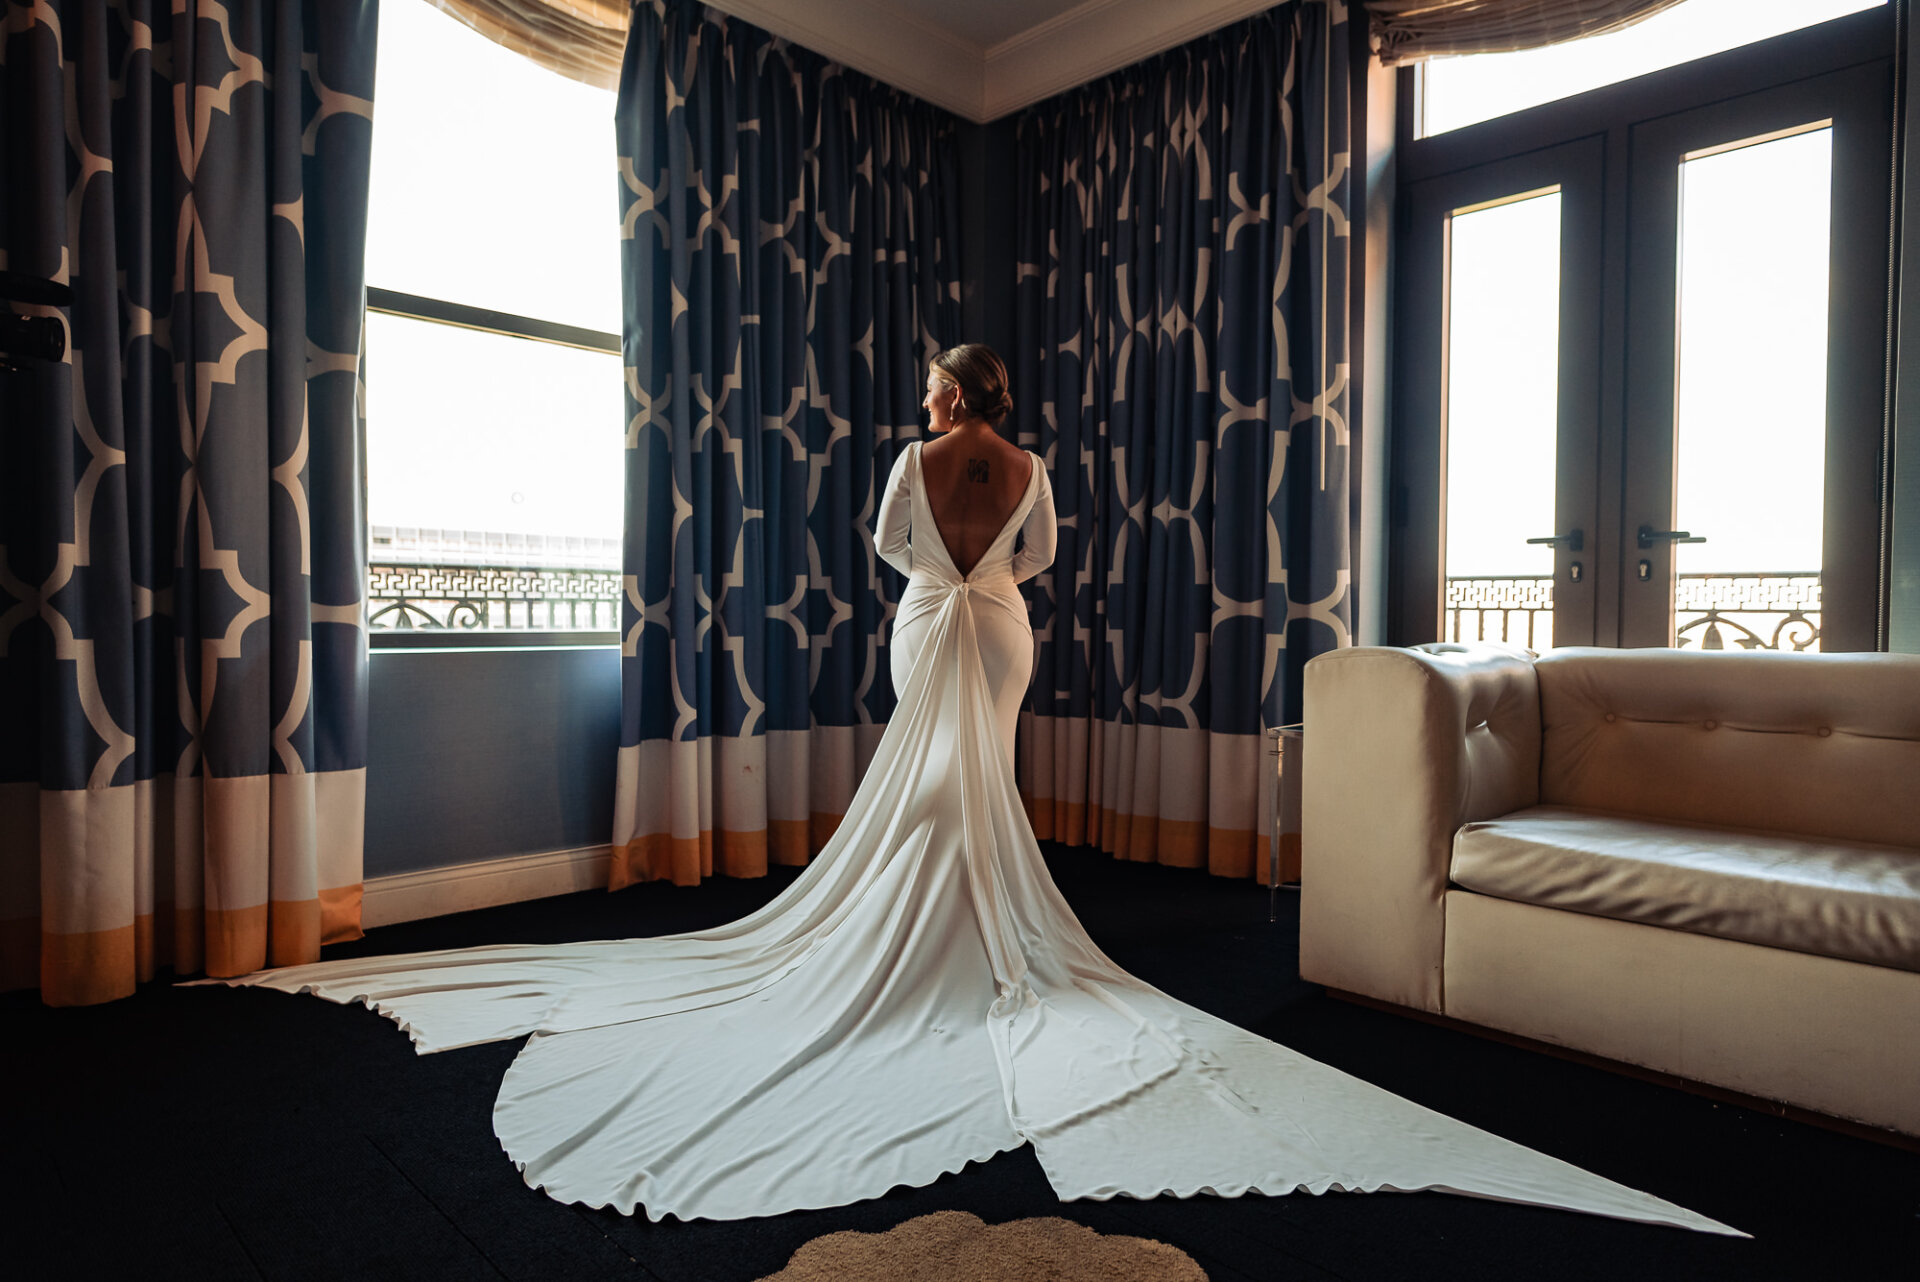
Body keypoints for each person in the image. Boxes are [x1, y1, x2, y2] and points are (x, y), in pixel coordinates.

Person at [192, 345, 1733, 1236]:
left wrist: (935, 546)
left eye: (940, 388)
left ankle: (915, 917)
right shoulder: (1033, 467)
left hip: (936, 617)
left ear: (948, 393)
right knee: (974, 772)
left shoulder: (912, 462)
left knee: (919, 781)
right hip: (996, 630)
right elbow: (1045, 564)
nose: (938, 406)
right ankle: (967, 917)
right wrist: (988, 561)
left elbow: (883, 551)